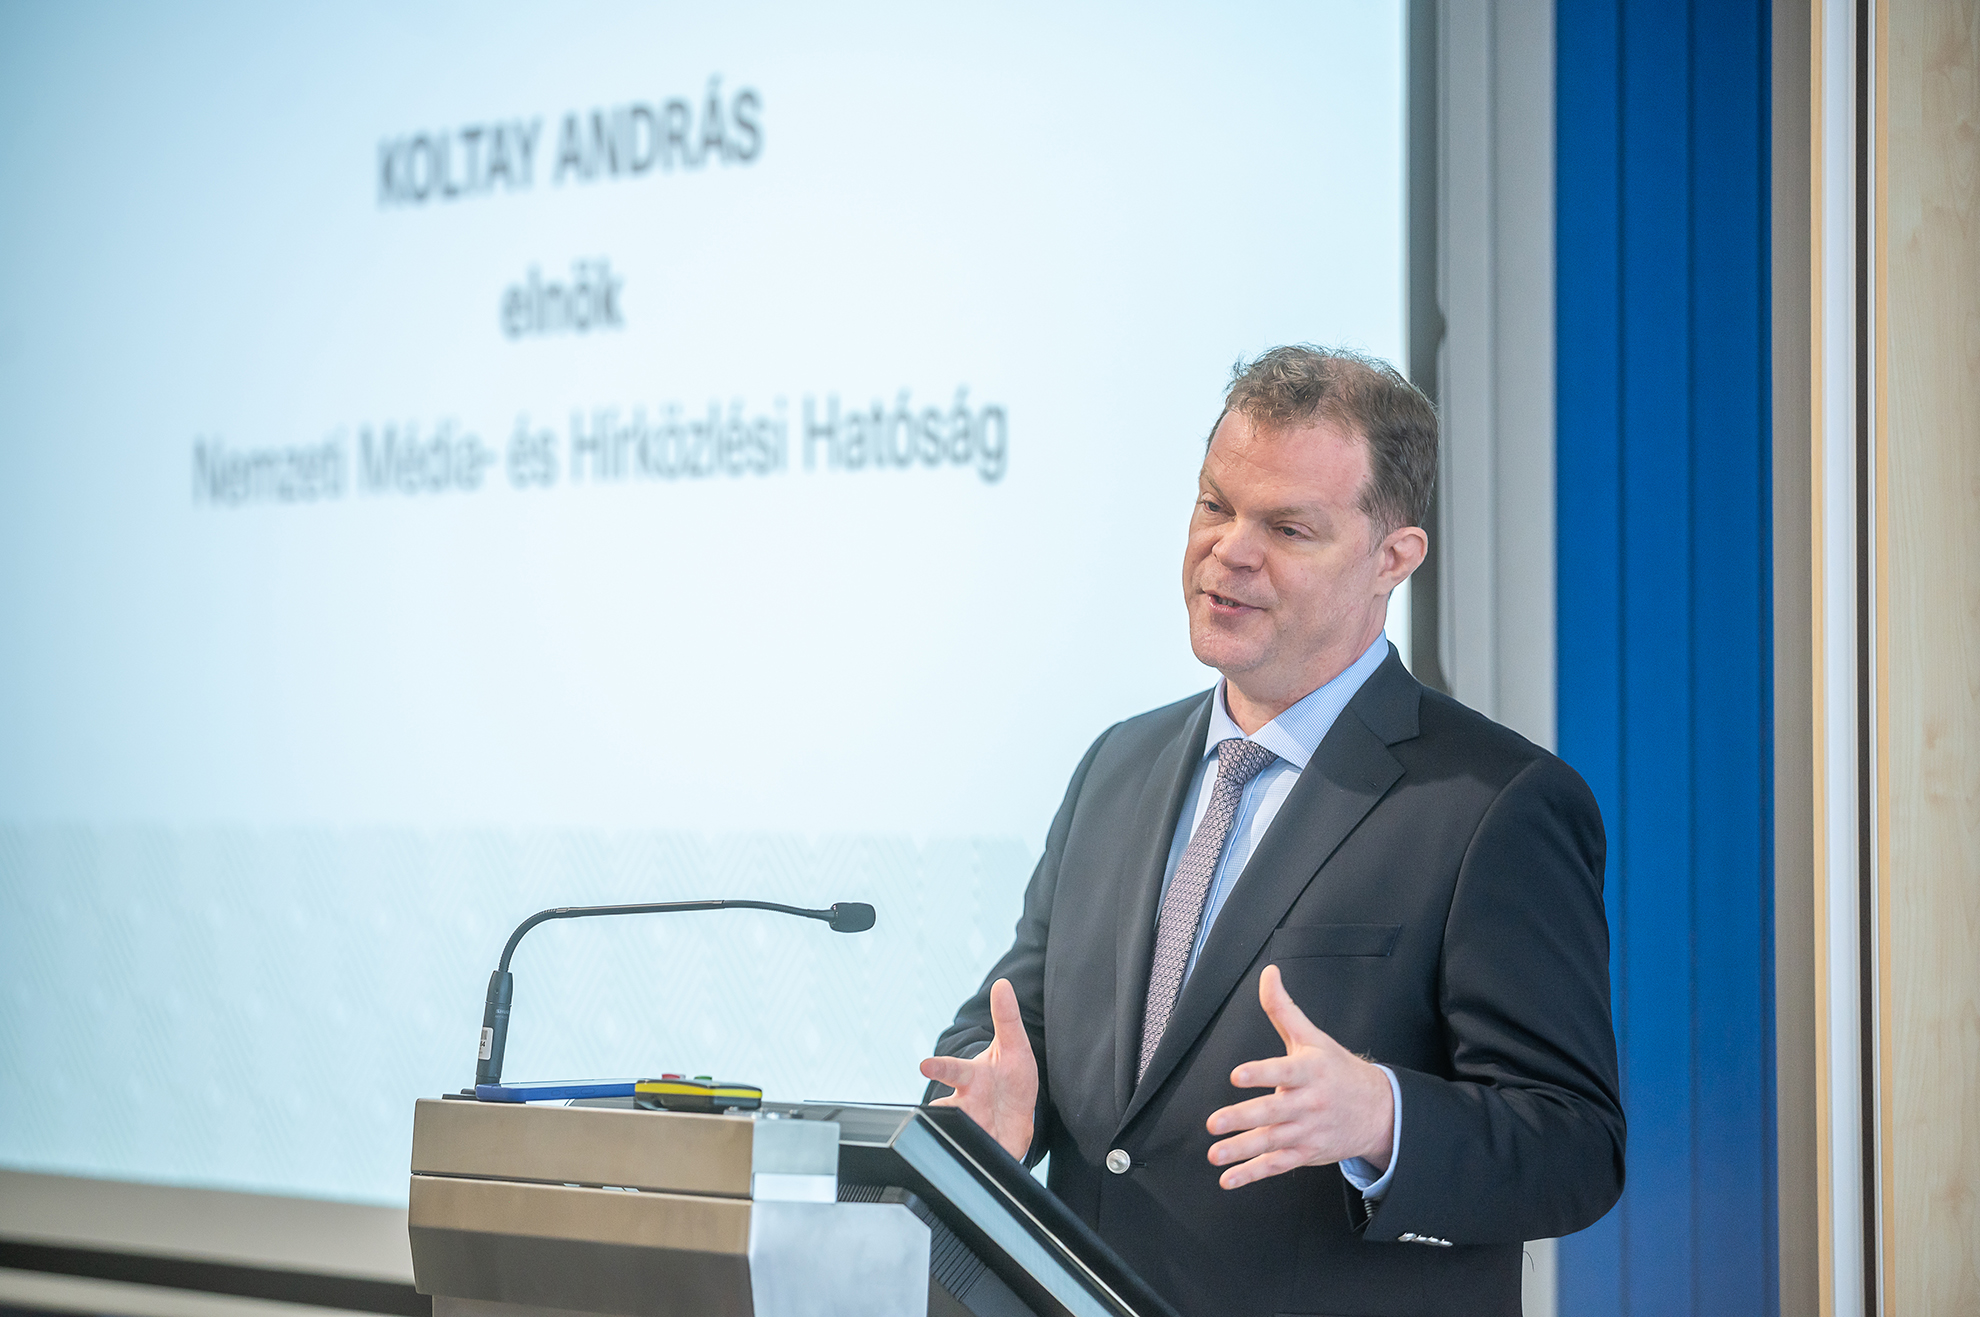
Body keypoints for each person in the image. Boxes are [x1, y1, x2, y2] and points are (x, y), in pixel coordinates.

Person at [919, 346, 1624, 1317]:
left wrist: (1383, 1117)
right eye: (1215, 506)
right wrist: (996, 1112)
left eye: (1288, 528)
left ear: (1394, 558)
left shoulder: (1495, 804)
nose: (1230, 551)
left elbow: (1575, 1148)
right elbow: (1014, 1029)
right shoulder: (1117, 766)